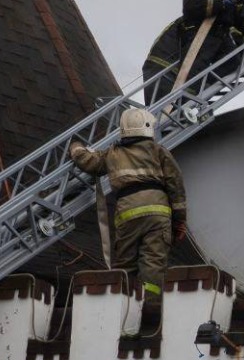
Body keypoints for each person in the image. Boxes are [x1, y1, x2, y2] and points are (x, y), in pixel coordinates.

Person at [67, 107, 188, 304]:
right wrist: (180, 221)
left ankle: (123, 308)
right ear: (148, 127)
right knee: (153, 263)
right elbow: (176, 185)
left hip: (128, 213)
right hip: (158, 213)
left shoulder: (113, 153)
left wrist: (75, 147)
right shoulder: (159, 152)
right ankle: (150, 306)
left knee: (126, 265)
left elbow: (89, 162)